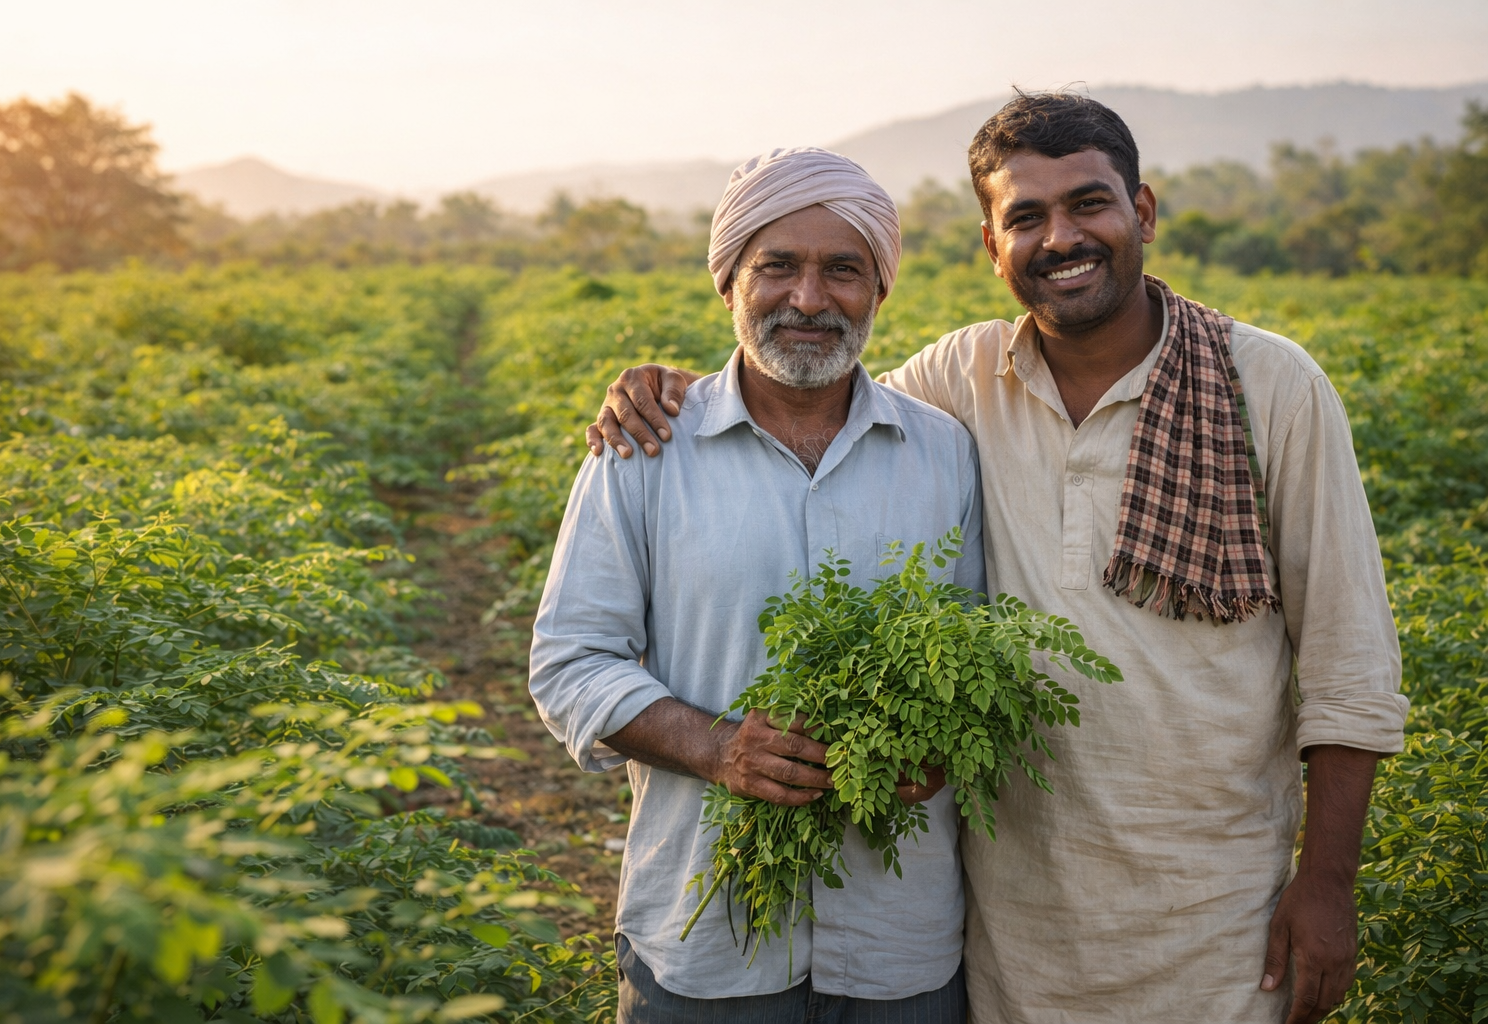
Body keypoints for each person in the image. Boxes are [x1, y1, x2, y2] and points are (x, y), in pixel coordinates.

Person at [584, 93, 1407, 1024]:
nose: (1061, 238)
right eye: (1026, 217)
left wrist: (1328, 885)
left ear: (1141, 211)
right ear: (991, 245)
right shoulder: (962, 381)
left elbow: (1350, 664)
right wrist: (673, 392)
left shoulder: (1273, 388)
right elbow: (804, 385)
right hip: (1012, 935)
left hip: (1218, 915)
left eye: (1088, 204)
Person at [531, 146, 981, 1023]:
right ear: (728, 282)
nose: (809, 300)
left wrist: (940, 742)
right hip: (704, 944)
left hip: (901, 948)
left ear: (880, 290)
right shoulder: (645, 449)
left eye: (842, 270)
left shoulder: (944, 451)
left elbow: (973, 643)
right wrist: (718, 748)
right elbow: (571, 661)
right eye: (777, 266)